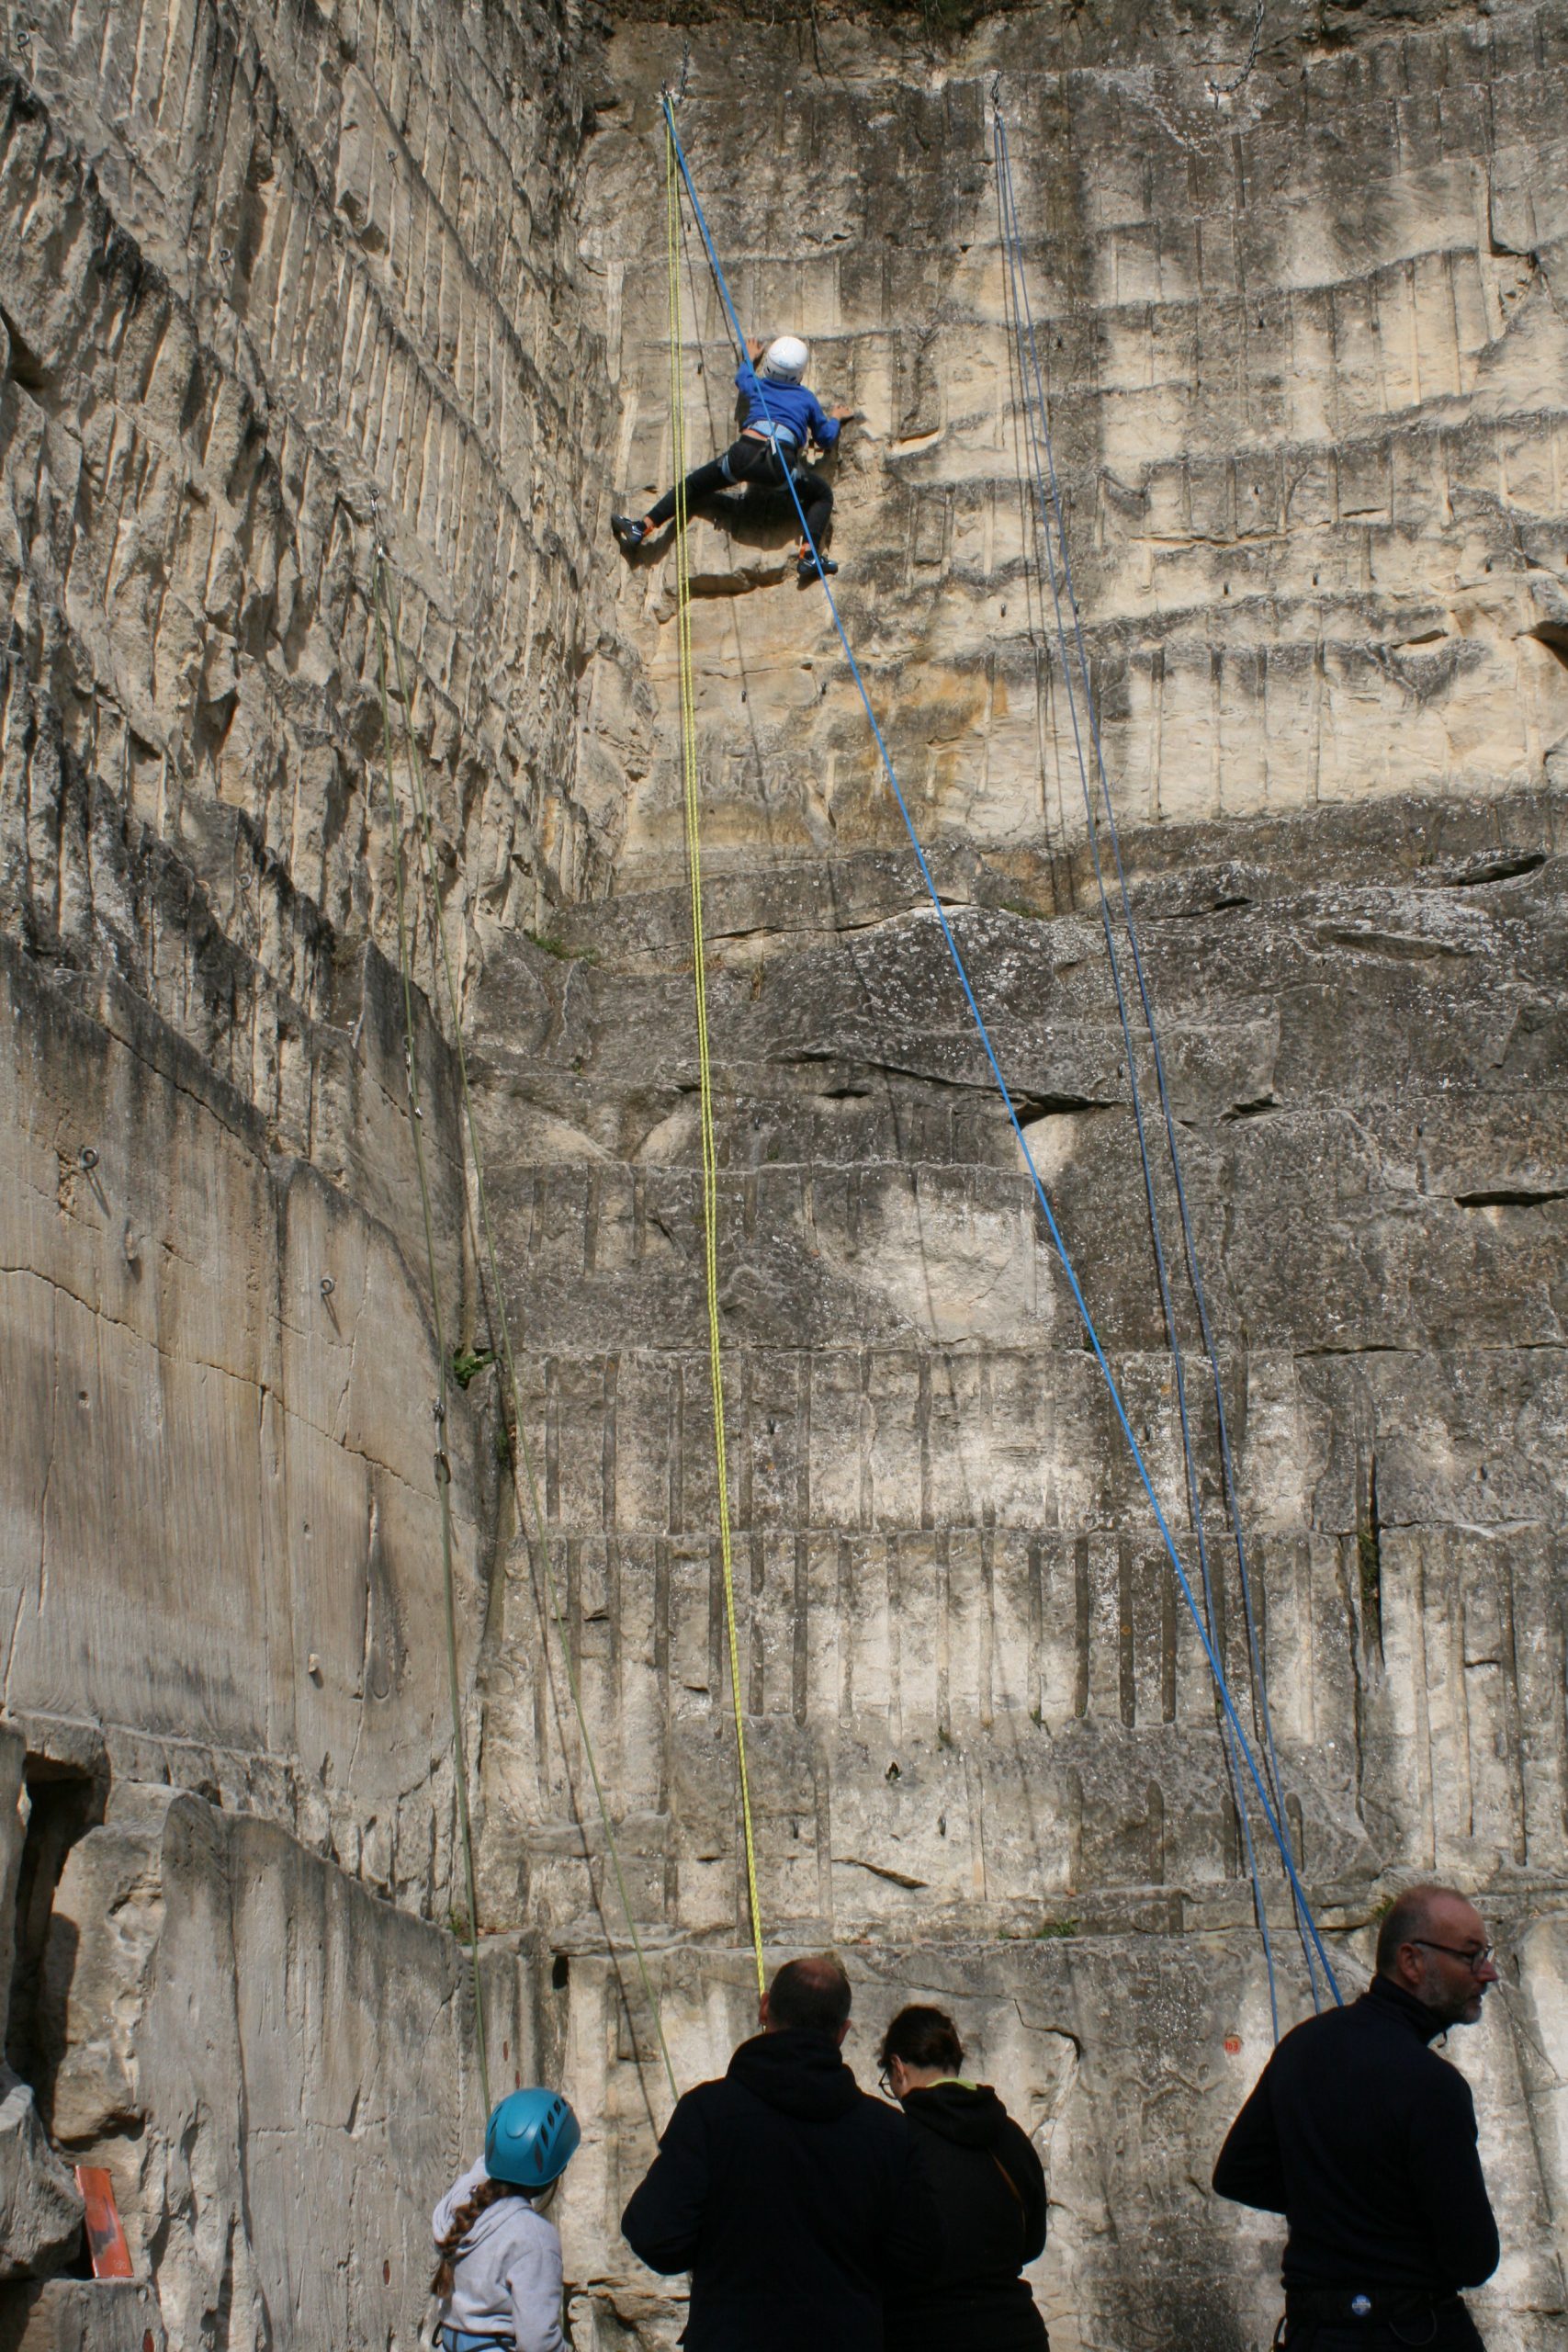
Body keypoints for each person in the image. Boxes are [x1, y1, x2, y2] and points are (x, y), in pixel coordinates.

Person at [1213, 1884, 1502, 2349]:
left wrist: (1332, 2210)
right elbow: (1473, 2259)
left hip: (1315, 2334)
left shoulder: (1302, 2048)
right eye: (1471, 1956)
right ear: (1412, 1962)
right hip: (1414, 2333)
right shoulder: (1432, 2084)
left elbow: (1238, 2175)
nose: (1488, 1972)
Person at [621, 1951, 942, 2351]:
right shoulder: (888, 2132)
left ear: (765, 2007)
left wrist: (721, 2248)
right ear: (842, 2032)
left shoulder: (709, 2113)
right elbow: (921, 2258)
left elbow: (654, 2235)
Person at [612, 334, 853, 583]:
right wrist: (836, 418)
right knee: (822, 494)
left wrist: (749, 358)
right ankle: (809, 556)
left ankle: (641, 527)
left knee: (693, 485)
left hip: (743, 455)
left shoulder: (759, 385)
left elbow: (742, 378)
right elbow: (825, 438)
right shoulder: (805, 398)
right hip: (778, 464)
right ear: (799, 373)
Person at [878, 2004, 1048, 2352]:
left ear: (898, 2068)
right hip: (1017, 2332)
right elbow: (1032, 2242)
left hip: (926, 2332)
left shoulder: (897, 2140)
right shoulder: (1009, 2135)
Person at [430, 2086, 581, 2352]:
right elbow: (538, 2343)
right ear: (560, 2169)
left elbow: (480, 2169)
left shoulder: (460, 2202)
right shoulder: (534, 2238)